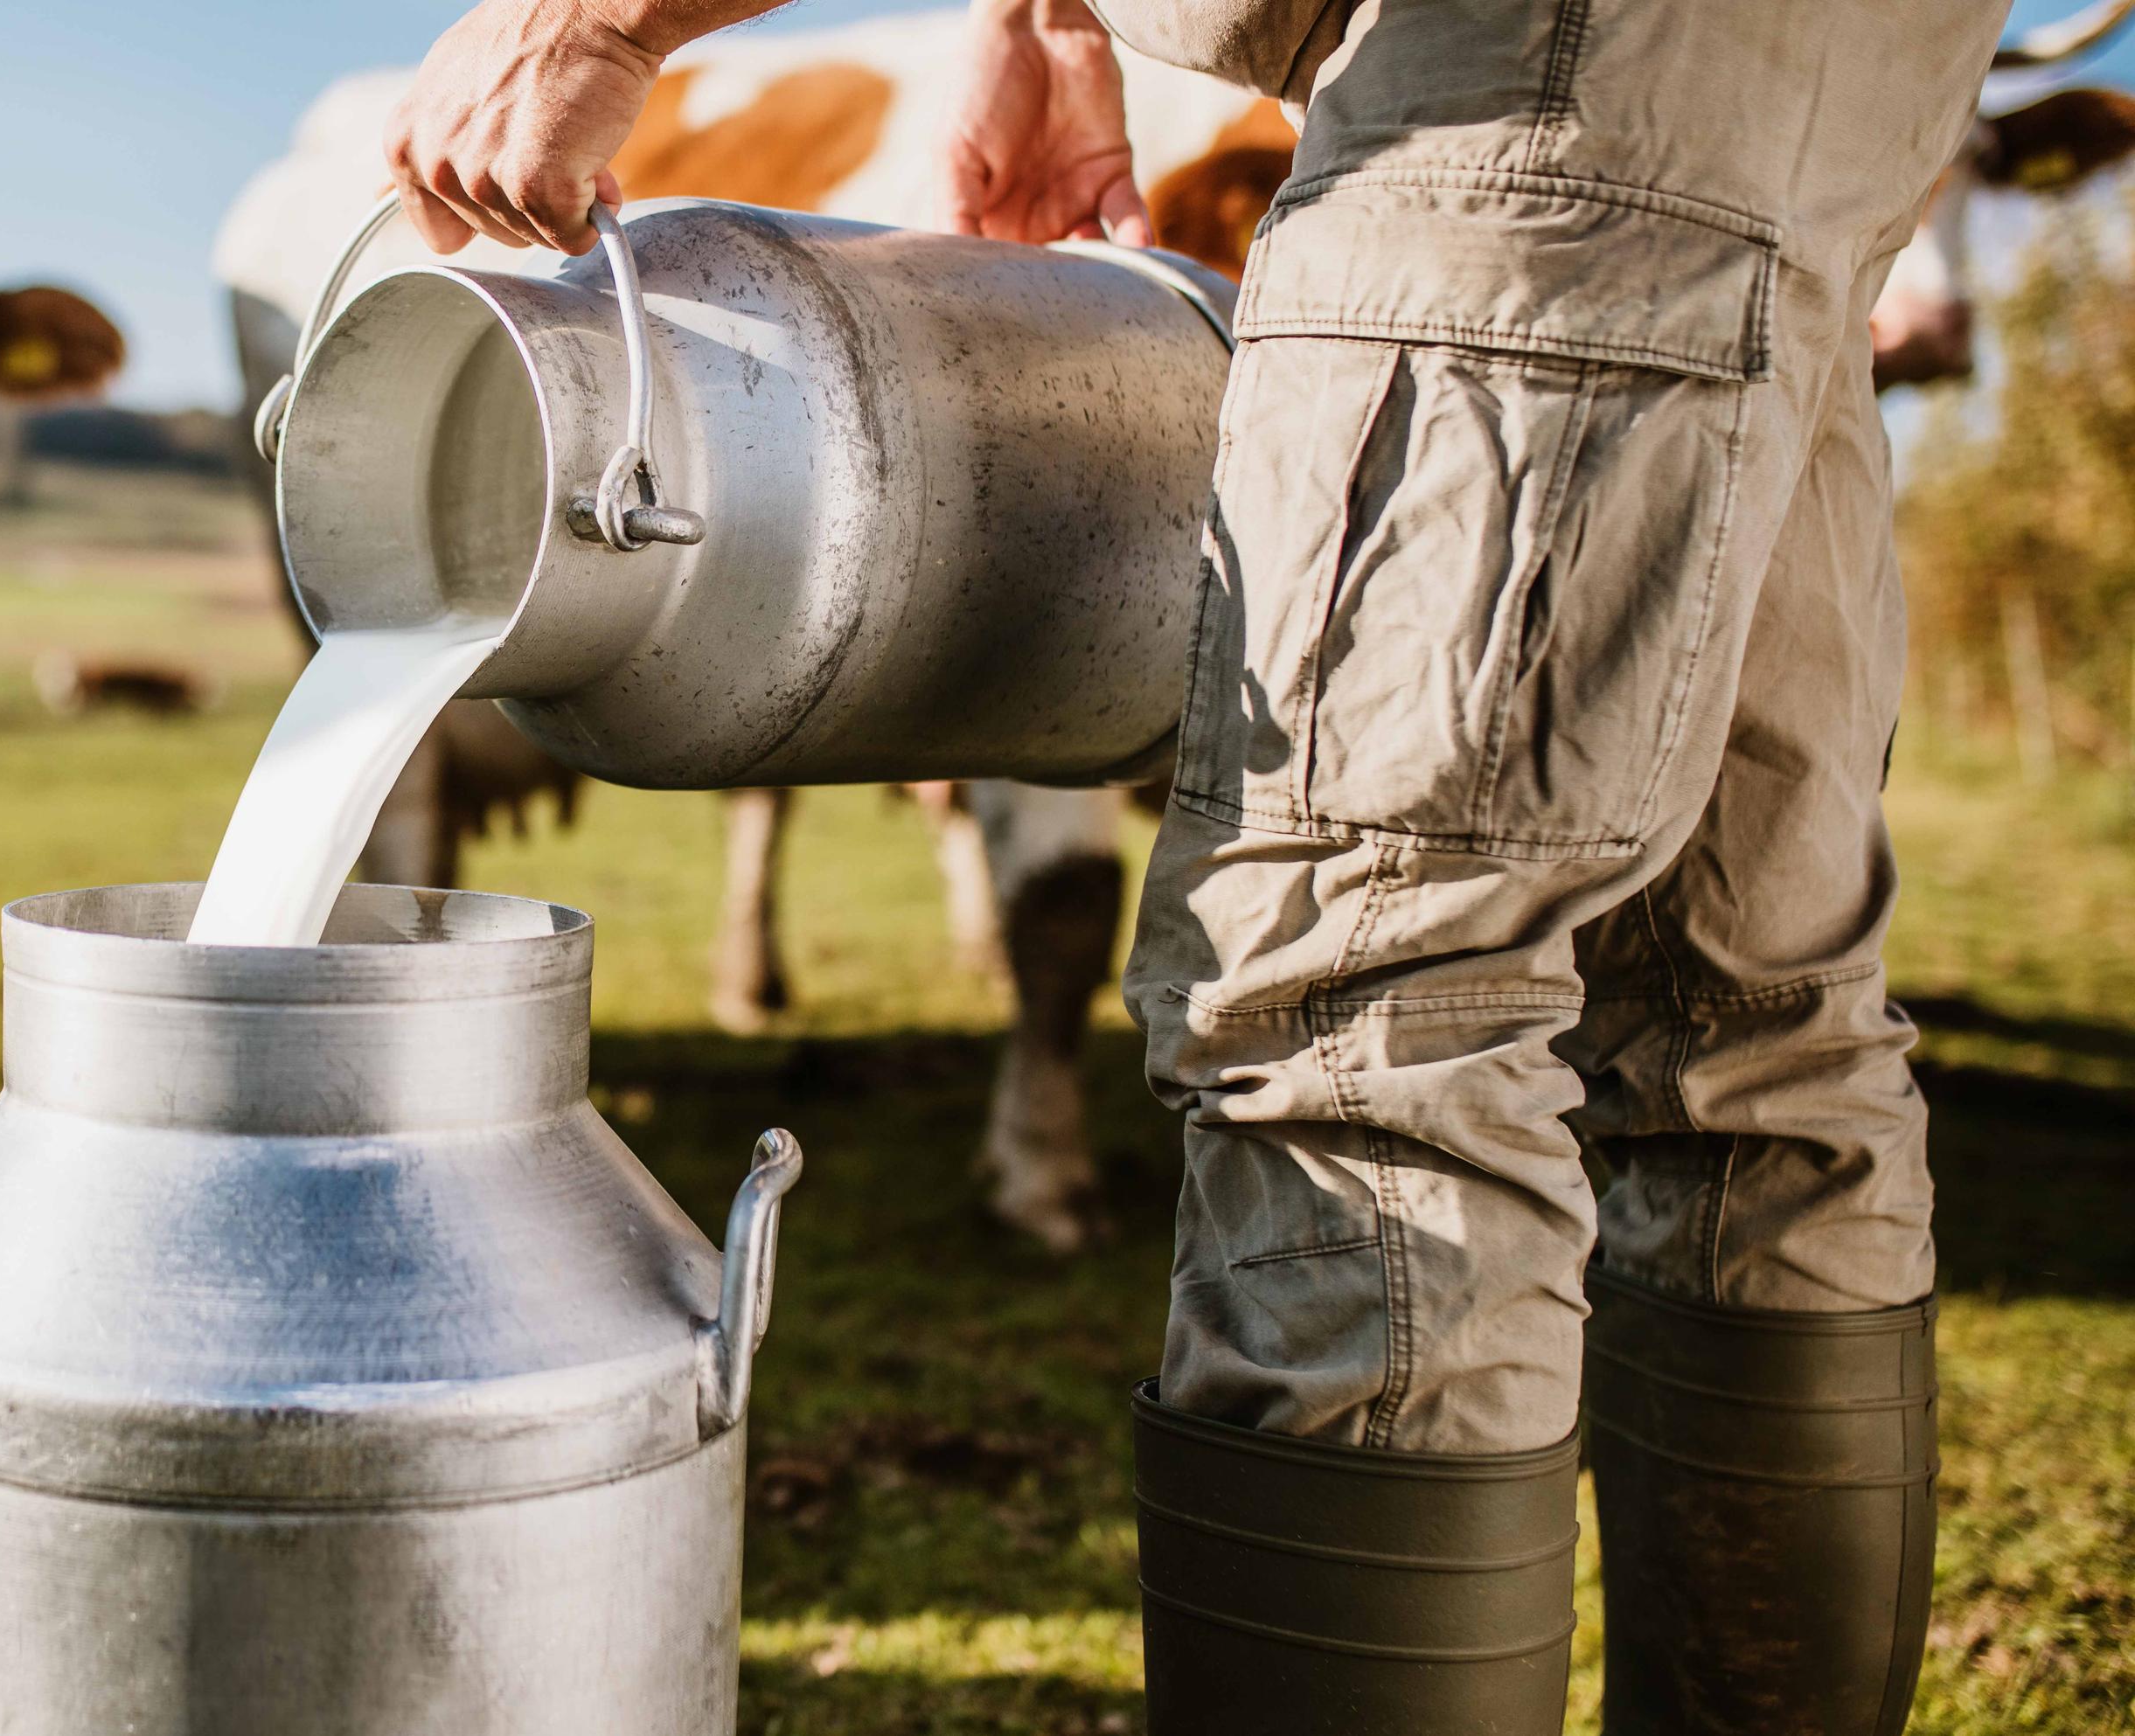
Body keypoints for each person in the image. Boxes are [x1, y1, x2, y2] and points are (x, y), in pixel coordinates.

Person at [383, 1, 1999, 1729]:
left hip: (1520, 79)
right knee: (1735, 1032)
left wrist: (602, 15)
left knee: (1368, 1022)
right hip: (1822, 88)